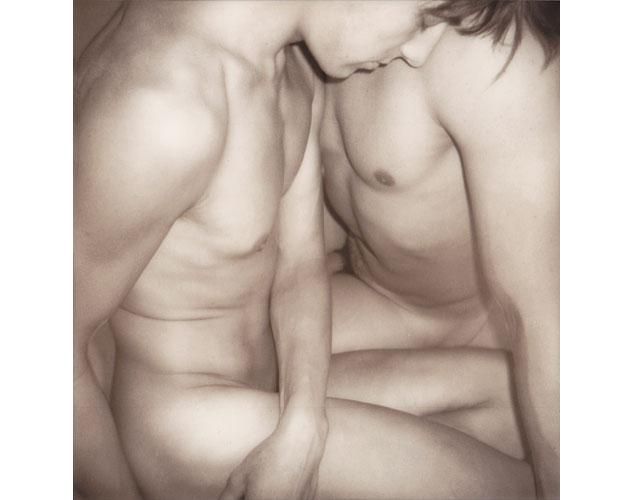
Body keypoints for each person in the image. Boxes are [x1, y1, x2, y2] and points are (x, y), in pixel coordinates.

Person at [74, 2, 534, 499]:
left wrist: (304, 425)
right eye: (422, 17)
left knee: (536, 407)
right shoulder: (165, 109)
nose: (418, 53)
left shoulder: (288, 68)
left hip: (268, 383)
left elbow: (299, 265)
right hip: (185, 425)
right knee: (519, 490)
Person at [321, 0, 559, 497]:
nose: (417, 47)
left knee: (221, 422)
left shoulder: (488, 58)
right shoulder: (310, 29)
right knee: (195, 378)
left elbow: (537, 309)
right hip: (380, 298)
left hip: (482, 327)